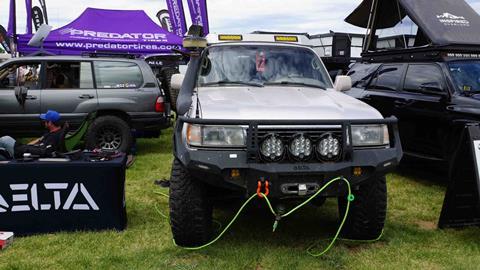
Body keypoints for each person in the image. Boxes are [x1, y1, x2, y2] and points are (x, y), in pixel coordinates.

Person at [0, 110, 64, 159]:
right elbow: (39, 140)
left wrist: (25, 150)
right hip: (23, 148)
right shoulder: (51, 132)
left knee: (5, 139)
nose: (44, 122)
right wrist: (27, 145)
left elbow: (44, 152)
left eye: (45, 121)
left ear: (50, 123)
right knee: (2, 151)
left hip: (22, 152)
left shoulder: (54, 137)